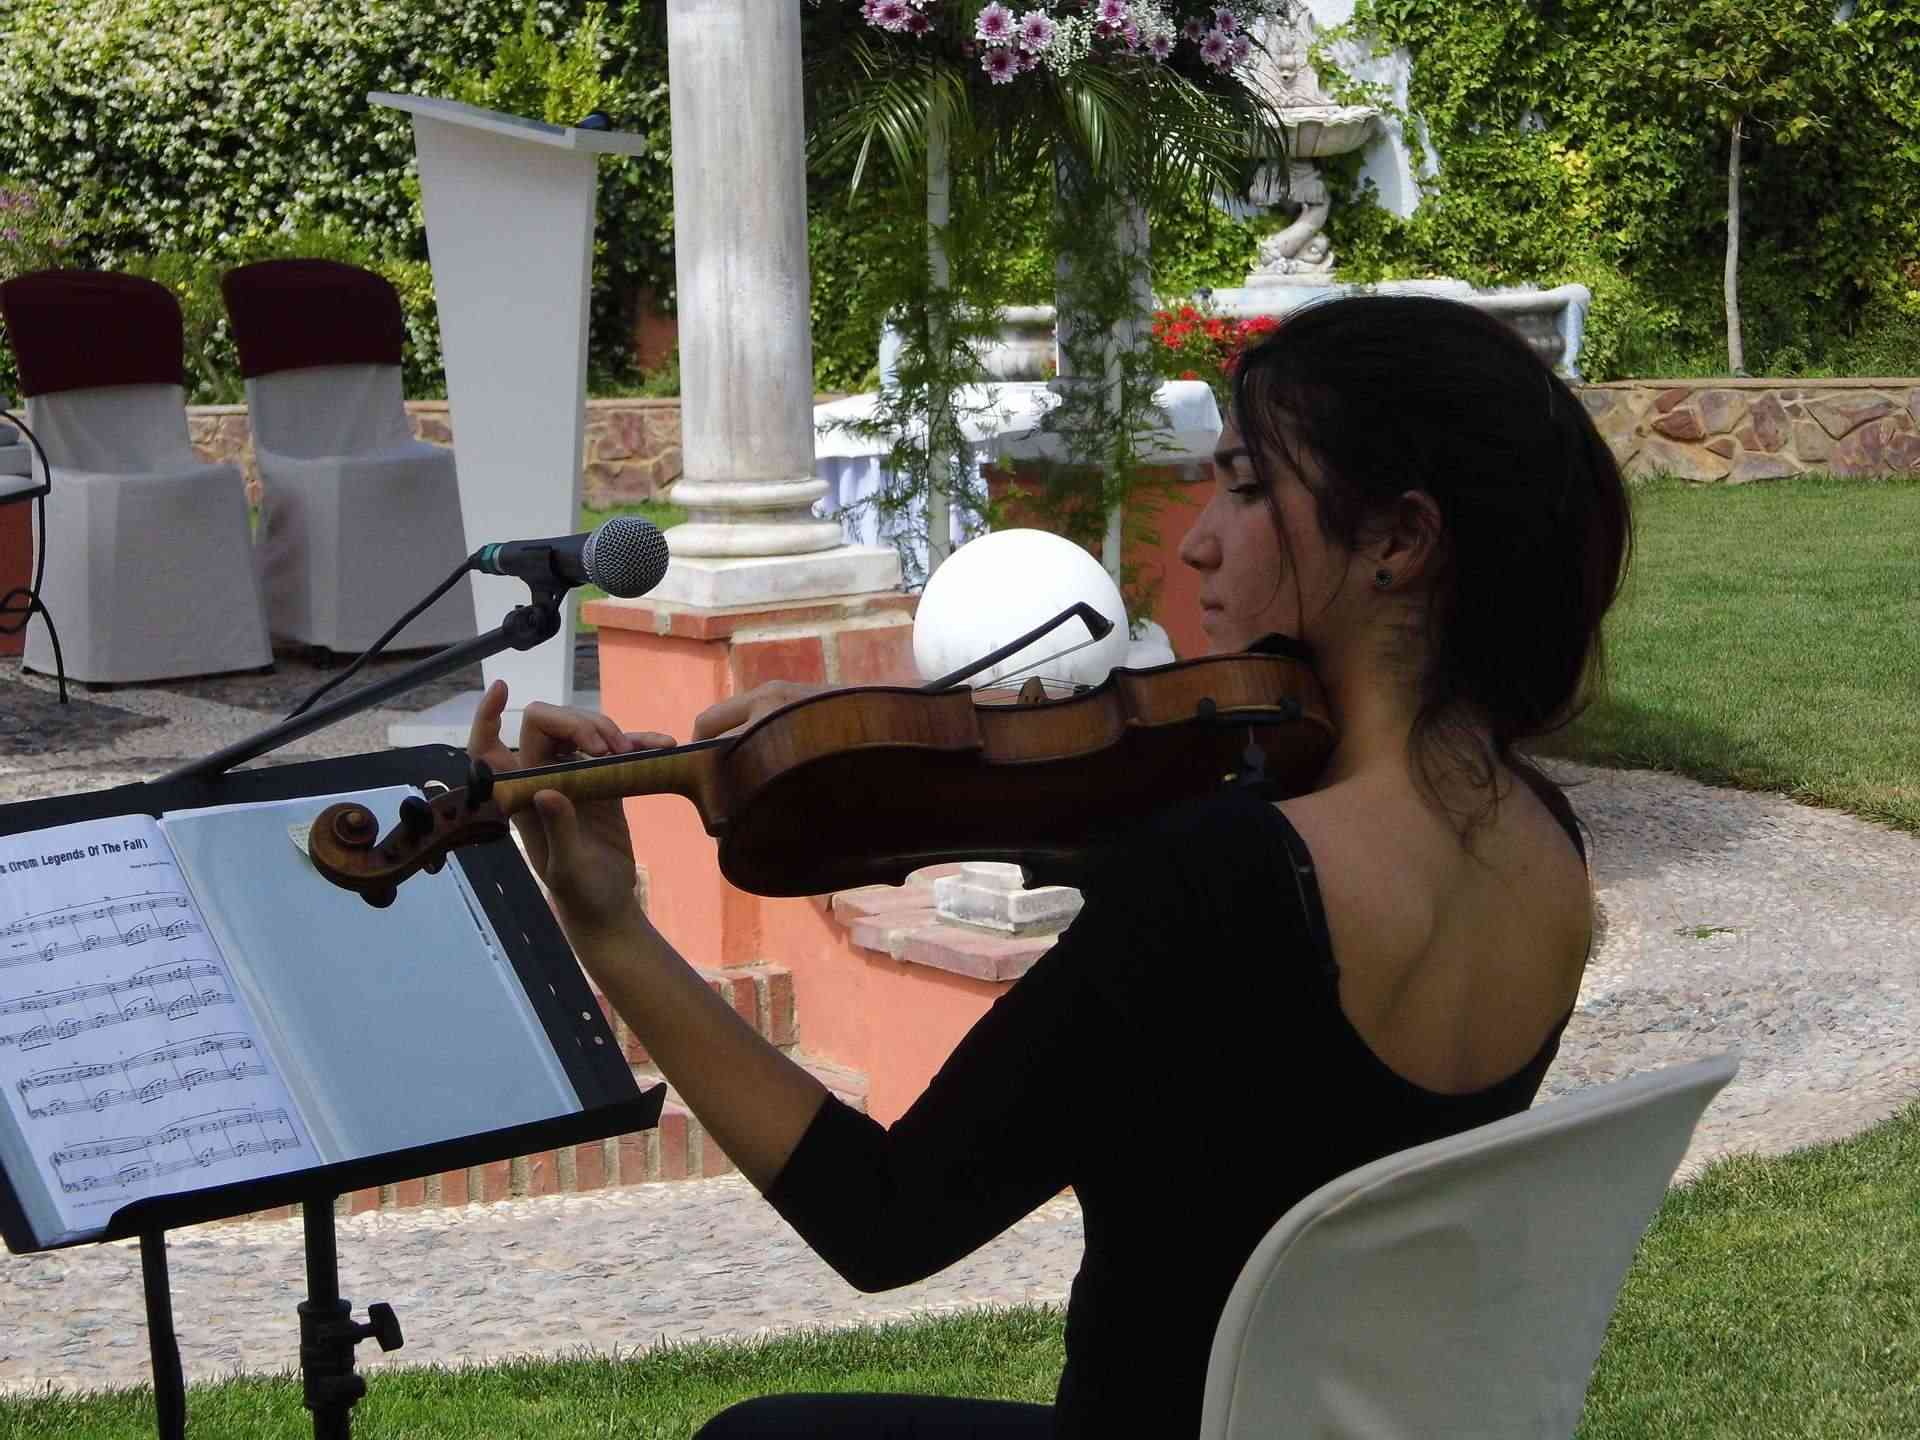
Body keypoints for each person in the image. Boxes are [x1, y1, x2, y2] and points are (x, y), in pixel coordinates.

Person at [466, 294, 1633, 1438]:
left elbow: (885, 1221)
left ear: (1398, 540)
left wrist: (611, 926)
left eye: (1246, 485)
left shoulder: (1218, 881)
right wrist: (881, 737)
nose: (1201, 537)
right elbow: (1199, 899)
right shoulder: (1538, 845)